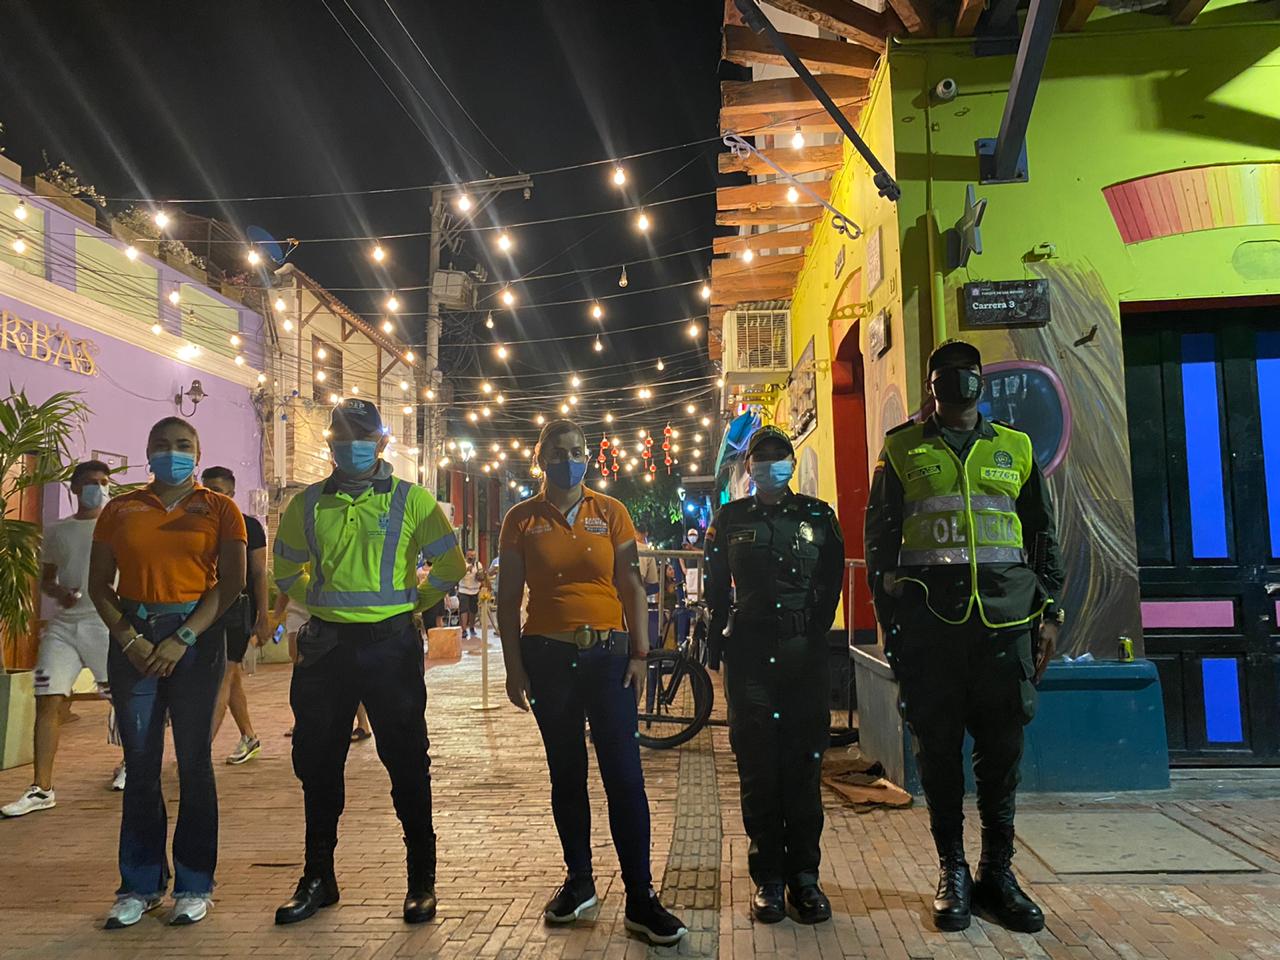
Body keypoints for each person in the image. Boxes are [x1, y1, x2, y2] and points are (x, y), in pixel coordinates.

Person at [864, 339, 1065, 934]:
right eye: (948, 376)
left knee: (1001, 758)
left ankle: (997, 875)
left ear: (981, 383)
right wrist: (891, 628)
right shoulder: (901, 450)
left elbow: (1042, 537)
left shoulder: (1016, 448)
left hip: (1005, 627)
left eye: (968, 374)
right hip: (933, 633)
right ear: (933, 386)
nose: (960, 384)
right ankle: (952, 871)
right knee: (940, 757)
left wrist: (1050, 613)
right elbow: (880, 547)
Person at [271, 398, 464, 927]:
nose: (350, 442)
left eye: (362, 434)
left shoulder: (412, 499)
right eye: (341, 433)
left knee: (407, 762)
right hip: (327, 648)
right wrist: (324, 602)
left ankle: (421, 881)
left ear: (381, 443)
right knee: (316, 764)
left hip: (390, 647)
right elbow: (283, 570)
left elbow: (451, 563)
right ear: (329, 441)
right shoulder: (306, 505)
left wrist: (413, 606)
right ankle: (318, 878)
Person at [497, 419, 687, 947]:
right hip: (547, 660)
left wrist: (641, 652)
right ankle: (579, 883)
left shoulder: (612, 512)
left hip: (608, 659)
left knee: (625, 777)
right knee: (567, 775)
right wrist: (514, 667)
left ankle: (641, 898)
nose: (569, 458)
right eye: (558, 451)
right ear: (540, 457)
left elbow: (630, 583)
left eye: (578, 450)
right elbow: (509, 597)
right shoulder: (521, 519)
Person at [87, 417, 247, 928]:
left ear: (197, 453)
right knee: (139, 763)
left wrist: (184, 637)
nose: (171, 453)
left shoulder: (219, 509)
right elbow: (98, 586)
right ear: (147, 450)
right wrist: (130, 639)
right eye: (162, 445)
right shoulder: (120, 509)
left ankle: (195, 883)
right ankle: (139, 884)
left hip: (195, 639)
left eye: (182, 446)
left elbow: (231, 584)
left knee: (194, 762)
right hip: (132, 634)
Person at [703, 425, 844, 925]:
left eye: (778, 455)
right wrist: (714, 644)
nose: (770, 463)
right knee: (758, 765)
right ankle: (768, 877)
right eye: (760, 457)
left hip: (804, 656)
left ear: (791, 461)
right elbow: (716, 587)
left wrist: (808, 629)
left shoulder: (818, 516)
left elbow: (831, 583)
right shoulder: (731, 518)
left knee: (804, 766)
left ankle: (805, 877)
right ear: (750, 467)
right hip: (749, 653)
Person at [3, 461, 124, 818]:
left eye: (103, 482)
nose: (98, 488)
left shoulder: (118, 528)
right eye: (90, 483)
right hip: (64, 628)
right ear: (74, 489)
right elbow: (46, 579)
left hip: (104, 625)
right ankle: (42, 787)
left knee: (121, 698)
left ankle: (131, 764)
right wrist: (59, 592)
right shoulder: (58, 532)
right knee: (47, 698)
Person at [201, 467, 269, 765]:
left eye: (217, 489)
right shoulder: (196, 525)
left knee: (222, 677)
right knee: (231, 678)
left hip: (237, 611)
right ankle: (249, 736)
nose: (211, 495)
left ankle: (199, 751)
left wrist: (264, 616)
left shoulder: (248, 526)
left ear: (231, 492)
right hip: (204, 610)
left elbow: (258, 573)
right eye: (206, 489)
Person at [457, 549, 483, 638]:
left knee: (473, 610)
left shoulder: (478, 565)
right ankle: (464, 630)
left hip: (475, 590)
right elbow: (457, 576)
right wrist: (466, 570)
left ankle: (472, 627)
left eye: (473, 555)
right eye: (470, 555)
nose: (472, 557)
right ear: (466, 556)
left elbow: (481, 577)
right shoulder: (461, 564)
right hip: (463, 590)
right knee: (464, 610)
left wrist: (480, 575)